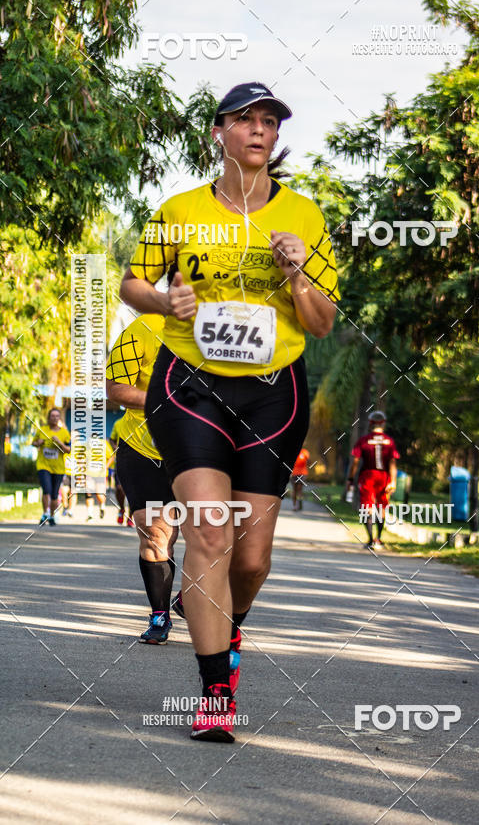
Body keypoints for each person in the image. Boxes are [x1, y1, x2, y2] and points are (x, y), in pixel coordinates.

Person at [120, 81, 339, 742]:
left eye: (269, 121)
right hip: (190, 386)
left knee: (249, 560)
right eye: (245, 119)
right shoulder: (179, 210)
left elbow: (323, 323)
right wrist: (166, 304)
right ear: (218, 132)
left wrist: (299, 274)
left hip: (274, 392)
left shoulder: (304, 216)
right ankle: (217, 691)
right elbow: (134, 283)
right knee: (209, 534)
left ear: (275, 138)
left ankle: (224, 618)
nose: (258, 130)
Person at [106, 313, 180, 643]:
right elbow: (114, 388)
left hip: (203, 452)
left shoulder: (227, 332)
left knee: (208, 533)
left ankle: (191, 597)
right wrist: (162, 400)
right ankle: (160, 614)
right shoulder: (144, 328)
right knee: (155, 531)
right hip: (142, 448)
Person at [347, 411, 399, 550]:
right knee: (381, 507)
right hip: (384, 477)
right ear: (383, 423)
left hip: (367, 476)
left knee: (367, 508)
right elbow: (392, 462)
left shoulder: (363, 440)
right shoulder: (389, 441)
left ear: (370, 423)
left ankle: (370, 540)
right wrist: (393, 481)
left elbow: (355, 462)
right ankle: (379, 538)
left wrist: (350, 478)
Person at [32, 408, 71, 527]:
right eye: (52, 416)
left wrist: (59, 442)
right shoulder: (42, 430)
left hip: (58, 468)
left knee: (54, 494)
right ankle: (44, 514)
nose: (54, 418)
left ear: (59, 418)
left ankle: (52, 516)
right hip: (43, 465)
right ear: (48, 418)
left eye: (57, 416)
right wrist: (38, 443)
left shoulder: (64, 433)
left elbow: (69, 450)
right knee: (46, 489)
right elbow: (33, 443)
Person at [109, 415, 130, 525]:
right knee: (119, 488)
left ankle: (131, 516)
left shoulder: (144, 419)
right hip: (121, 459)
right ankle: (122, 509)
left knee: (135, 490)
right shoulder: (118, 423)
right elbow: (111, 439)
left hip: (139, 460)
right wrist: (115, 447)